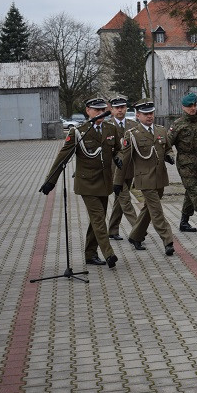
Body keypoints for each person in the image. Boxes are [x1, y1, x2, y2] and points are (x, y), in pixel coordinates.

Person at [40, 97, 120, 268]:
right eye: (96, 110)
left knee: (96, 220)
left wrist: (118, 158)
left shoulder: (111, 128)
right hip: (87, 183)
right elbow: (63, 157)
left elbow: (118, 149)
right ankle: (109, 253)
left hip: (104, 182)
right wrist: (50, 181)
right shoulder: (78, 132)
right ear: (88, 111)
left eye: (102, 110)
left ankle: (90, 255)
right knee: (99, 218)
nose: (100, 113)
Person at [115, 99, 176, 256]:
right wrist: (118, 182)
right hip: (145, 179)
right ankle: (168, 240)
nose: (149, 116)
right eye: (145, 114)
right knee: (156, 211)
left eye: (151, 113)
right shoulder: (132, 134)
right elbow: (124, 159)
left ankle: (135, 236)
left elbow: (168, 148)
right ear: (137, 115)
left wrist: (170, 156)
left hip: (160, 177)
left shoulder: (161, 131)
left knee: (148, 209)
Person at [167, 92, 197, 235]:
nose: (192, 108)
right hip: (185, 165)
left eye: (194, 105)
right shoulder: (178, 125)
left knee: (192, 193)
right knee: (195, 193)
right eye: (189, 106)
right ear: (183, 107)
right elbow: (167, 143)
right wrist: (169, 155)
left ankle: (184, 222)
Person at [106, 95, 138, 241]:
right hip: (113, 170)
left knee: (119, 200)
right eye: (117, 108)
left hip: (129, 168)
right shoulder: (107, 126)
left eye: (122, 107)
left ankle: (112, 230)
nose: (120, 110)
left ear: (126, 108)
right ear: (111, 110)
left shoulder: (133, 125)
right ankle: (138, 229)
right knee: (126, 200)